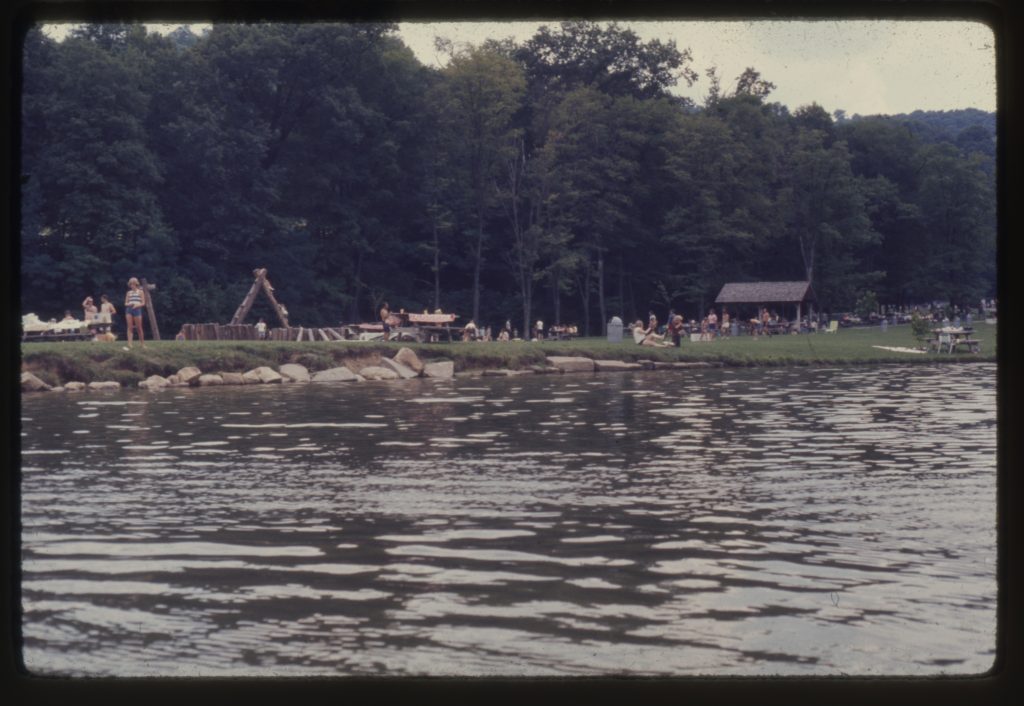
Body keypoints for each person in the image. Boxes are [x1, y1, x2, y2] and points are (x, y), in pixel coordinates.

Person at [124, 277, 146, 349]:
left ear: (136, 284)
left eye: (133, 284)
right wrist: (129, 305)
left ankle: (142, 344)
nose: (132, 285)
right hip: (129, 309)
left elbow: (143, 303)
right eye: (131, 284)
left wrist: (137, 305)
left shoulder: (140, 292)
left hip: (137, 309)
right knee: (130, 327)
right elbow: (125, 303)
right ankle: (129, 343)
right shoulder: (128, 293)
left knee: (139, 327)